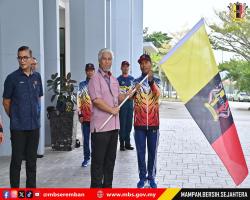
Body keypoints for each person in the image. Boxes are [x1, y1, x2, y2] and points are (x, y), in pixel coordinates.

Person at [2, 46, 43, 188]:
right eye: (20, 57)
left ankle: (30, 192)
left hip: (34, 126)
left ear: (31, 59)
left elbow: (38, 98)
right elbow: (6, 102)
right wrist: (14, 117)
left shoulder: (37, 77)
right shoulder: (12, 78)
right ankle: (15, 192)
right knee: (16, 162)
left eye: (25, 57)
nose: (22, 60)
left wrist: (36, 115)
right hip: (18, 127)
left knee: (32, 162)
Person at [88, 48, 129, 188]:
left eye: (109, 59)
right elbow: (97, 100)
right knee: (98, 163)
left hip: (114, 127)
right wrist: (112, 110)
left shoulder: (113, 79)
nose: (107, 61)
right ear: (99, 60)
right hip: (100, 128)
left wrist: (129, 94)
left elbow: (118, 98)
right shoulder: (95, 79)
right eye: (104, 58)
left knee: (110, 162)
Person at [133, 54, 161, 188]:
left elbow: (157, 95)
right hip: (139, 125)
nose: (143, 65)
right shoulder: (135, 81)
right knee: (140, 153)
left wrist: (151, 81)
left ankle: (151, 178)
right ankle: (142, 177)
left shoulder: (157, 81)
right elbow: (129, 98)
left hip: (154, 125)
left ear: (150, 64)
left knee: (152, 153)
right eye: (141, 63)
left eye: (146, 62)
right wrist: (134, 90)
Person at [77, 63, 95, 167]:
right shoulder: (81, 85)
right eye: (88, 70)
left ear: (94, 71)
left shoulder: (97, 84)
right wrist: (80, 115)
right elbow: (79, 100)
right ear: (86, 71)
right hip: (85, 118)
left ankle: (95, 158)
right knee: (86, 140)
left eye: (91, 70)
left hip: (96, 118)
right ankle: (86, 158)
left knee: (95, 141)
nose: (90, 72)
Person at [117, 61, 134, 151]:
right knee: (122, 124)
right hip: (122, 105)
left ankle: (128, 143)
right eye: (124, 66)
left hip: (130, 104)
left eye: (127, 66)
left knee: (129, 124)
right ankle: (122, 144)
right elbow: (116, 94)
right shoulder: (118, 80)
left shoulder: (132, 79)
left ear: (129, 68)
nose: (125, 68)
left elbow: (135, 92)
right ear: (121, 68)